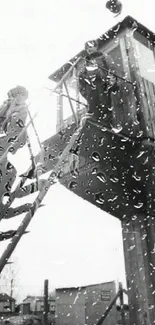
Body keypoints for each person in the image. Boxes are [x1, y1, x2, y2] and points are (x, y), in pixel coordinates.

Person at [78, 39, 118, 127]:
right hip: (90, 88)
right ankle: (94, 121)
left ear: (96, 47)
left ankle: (107, 123)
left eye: (90, 46)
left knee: (105, 103)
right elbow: (81, 80)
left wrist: (110, 81)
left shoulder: (104, 57)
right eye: (87, 47)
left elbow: (112, 69)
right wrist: (86, 92)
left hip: (102, 84)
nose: (88, 49)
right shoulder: (85, 65)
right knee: (92, 106)